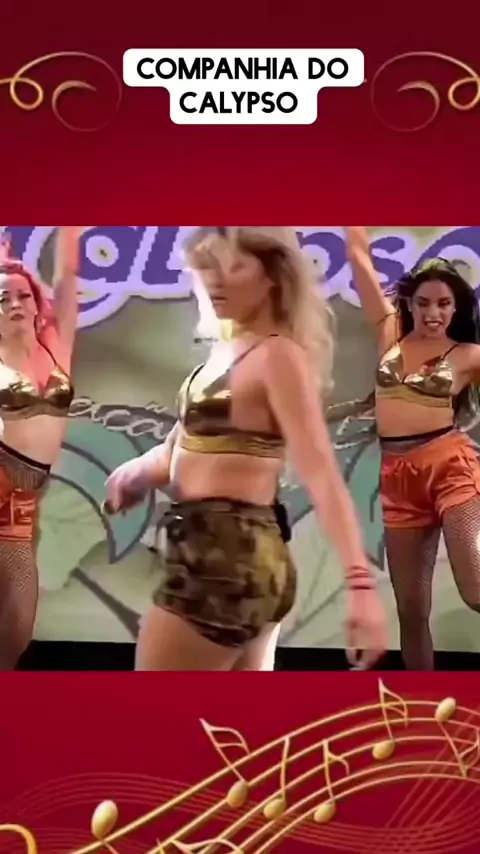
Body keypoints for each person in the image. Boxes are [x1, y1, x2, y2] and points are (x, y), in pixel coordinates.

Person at [105, 226, 387, 672]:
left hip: (225, 563)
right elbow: (183, 448)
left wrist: (360, 584)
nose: (215, 280)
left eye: (234, 267)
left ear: (273, 275)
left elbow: (321, 472)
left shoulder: (277, 356)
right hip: (233, 559)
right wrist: (137, 472)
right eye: (208, 267)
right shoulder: (228, 352)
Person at [344, 226, 480, 670]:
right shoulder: (391, 333)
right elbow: (359, 259)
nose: (432, 313)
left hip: (449, 467)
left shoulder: (468, 354)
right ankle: (422, 696)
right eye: (423, 303)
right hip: (397, 476)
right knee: (410, 610)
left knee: (476, 591)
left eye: (443, 304)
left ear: (456, 308)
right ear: (410, 304)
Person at [0, 227, 80, 669]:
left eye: (22, 295)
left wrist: (71, 224)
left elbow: (68, 275)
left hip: (25, 501)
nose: (15, 303)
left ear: (36, 302)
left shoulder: (57, 345)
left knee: (18, 624)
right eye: (3, 298)